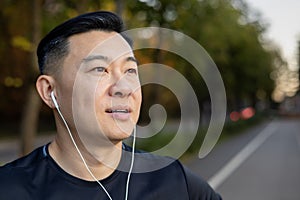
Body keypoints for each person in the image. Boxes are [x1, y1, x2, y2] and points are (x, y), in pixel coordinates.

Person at [0, 11, 222, 200]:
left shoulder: (174, 180)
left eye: (130, 71)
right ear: (49, 91)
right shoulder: (10, 190)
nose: (123, 88)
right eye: (99, 69)